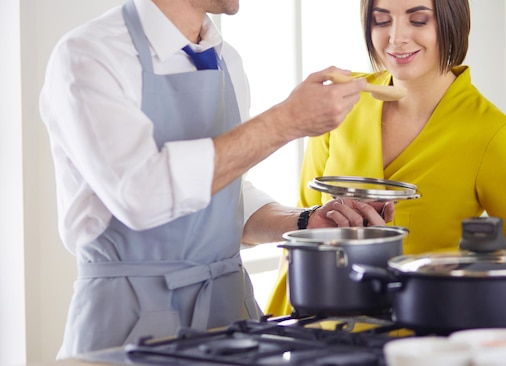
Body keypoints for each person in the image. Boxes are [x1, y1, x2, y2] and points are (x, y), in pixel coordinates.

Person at [39, 0, 395, 358]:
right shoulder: (90, 55)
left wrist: (302, 222)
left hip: (229, 321)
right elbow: (141, 195)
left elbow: (224, 193)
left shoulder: (226, 60)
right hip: (128, 327)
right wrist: (285, 122)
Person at [265, 0, 506, 316]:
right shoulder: (341, 104)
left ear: (452, 22)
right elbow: (304, 229)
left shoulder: (493, 134)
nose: (396, 37)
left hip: (421, 336)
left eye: (419, 20)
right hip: (315, 330)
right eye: (381, 21)